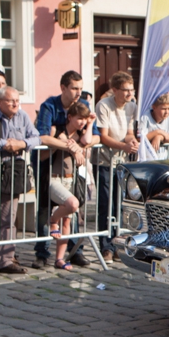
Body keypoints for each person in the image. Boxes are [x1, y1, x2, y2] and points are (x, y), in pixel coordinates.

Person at [33, 70, 97, 269]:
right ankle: (41, 253)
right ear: (63, 88)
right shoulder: (49, 105)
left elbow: (95, 137)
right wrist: (71, 145)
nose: (79, 92)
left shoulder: (84, 105)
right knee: (44, 210)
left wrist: (79, 145)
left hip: (71, 169)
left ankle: (73, 252)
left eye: (80, 87)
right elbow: (43, 137)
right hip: (48, 167)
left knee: (72, 214)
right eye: (74, 88)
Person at [0, 87, 40, 274]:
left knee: (9, 217)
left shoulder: (22, 116)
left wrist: (21, 144)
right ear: (0, 102)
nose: (15, 103)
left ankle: (6, 259)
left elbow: (36, 137)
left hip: (13, 171)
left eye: (17, 100)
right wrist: (6, 144)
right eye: (10, 100)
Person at [95, 71, 139, 263]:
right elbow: (104, 136)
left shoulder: (132, 107)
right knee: (106, 204)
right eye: (126, 90)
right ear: (115, 90)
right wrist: (124, 145)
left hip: (122, 162)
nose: (130, 94)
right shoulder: (104, 105)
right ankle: (106, 246)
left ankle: (118, 244)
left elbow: (129, 132)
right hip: (105, 160)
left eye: (132, 89)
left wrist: (133, 141)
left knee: (120, 204)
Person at [140, 94, 169, 159]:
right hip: (146, 157)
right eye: (163, 109)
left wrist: (159, 137)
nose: (167, 112)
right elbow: (140, 138)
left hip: (163, 157)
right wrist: (158, 132)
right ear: (154, 107)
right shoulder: (145, 117)